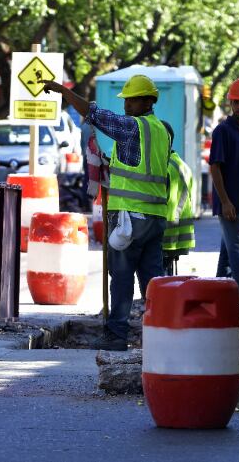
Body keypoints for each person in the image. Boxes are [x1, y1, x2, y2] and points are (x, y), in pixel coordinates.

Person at [43, 75, 171, 351]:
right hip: (156, 218)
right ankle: (162, 333)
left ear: (148, 101)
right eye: (125, 99)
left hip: (131, 217)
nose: (126, 104)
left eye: (132, 99)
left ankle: (117, 335)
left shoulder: (133, 128)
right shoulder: (162, 130)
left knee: (122, 276)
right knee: (153, 280)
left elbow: (93, 113)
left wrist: (64, 91)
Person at [209, 78, 239, 304]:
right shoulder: (222, 131)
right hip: (228, 204)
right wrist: (225, 201)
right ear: (230, 104)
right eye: (235, 102)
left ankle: (219, 297)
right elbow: (215, 167)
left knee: (229, 254)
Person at [160, 121, 196, 275]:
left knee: (157, 281)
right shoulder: (182, 165)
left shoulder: (164, 167)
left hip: (164, 236)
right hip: (181, 236)